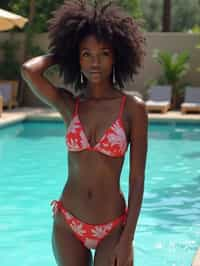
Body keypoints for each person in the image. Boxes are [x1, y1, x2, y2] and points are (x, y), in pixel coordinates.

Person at [21, 1, 148, 265]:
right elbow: (29, 70)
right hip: (68, 224)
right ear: (77, 59)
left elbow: (137, 180)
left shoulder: (132, 109)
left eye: (104, 53)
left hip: (112, 228)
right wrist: (65, 51)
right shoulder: (70, 105)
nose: (95, 62)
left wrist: (128, 240)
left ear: (117, 56)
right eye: (86, 54)